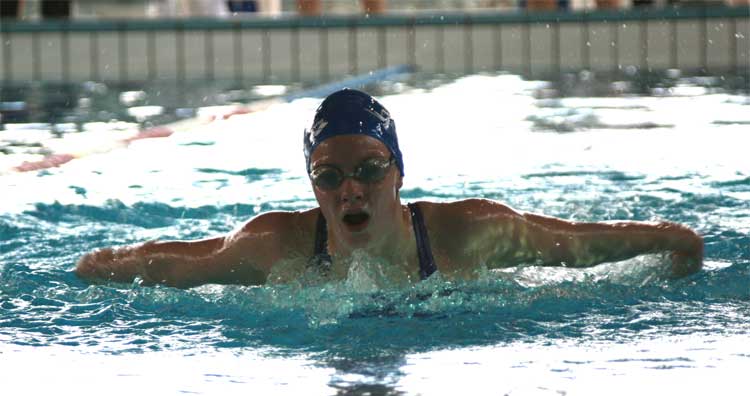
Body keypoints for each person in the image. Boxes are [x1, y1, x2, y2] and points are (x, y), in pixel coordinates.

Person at [75, 89, 703, 288]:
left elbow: (577, 242)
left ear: (399, 172)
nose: (351, 189)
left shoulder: (468, 232)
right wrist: (102, 265)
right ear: (313, 185)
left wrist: (670, 239)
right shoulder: (278, 244)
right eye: (329, 175)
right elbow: (181, 263)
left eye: (370, 169)